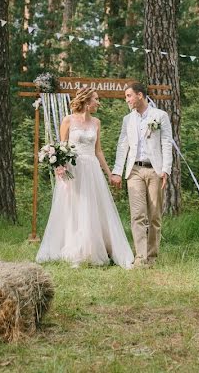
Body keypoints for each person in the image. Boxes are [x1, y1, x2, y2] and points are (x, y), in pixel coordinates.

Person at [36, 87, 134, 268]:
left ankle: (93, 248)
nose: (98, 103)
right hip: (73, 170)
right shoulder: (68, 120)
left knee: (92, 207)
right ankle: (73, 247)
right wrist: (59, 168)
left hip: (92, 170)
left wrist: (109, 173)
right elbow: (61, 148)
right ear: (87, 102)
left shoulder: (96, 122)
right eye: (96, 99)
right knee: (73, 207)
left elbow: (98, 151)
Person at [110, 82, 173, 267]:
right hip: (134, 171)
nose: (127, 99)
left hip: (155, 170)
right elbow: (123, 146)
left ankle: (152, 257)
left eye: (129, 96)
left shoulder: (160, 116)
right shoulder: (127, 120)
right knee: (138, 215)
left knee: (154, 215)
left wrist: (166, 170)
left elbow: (167, 143)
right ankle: (140, 257)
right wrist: (117, 172)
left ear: (139, 95)